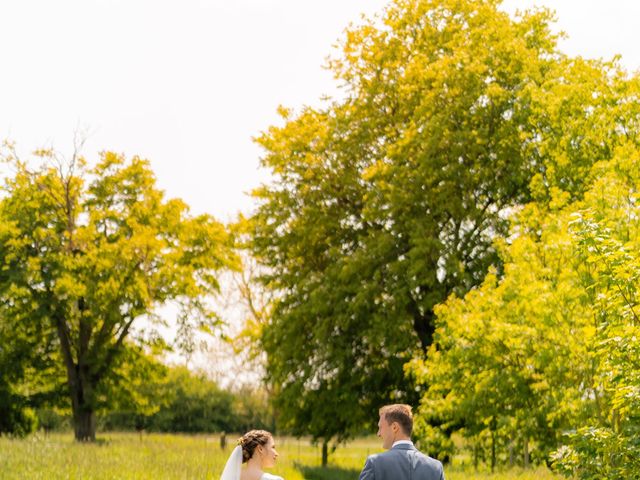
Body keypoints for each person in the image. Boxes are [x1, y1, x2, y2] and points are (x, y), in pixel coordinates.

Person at [358, 404, 445, 480]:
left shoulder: (374, 463)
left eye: (380, 427)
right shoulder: (436, 467)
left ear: (394, 427)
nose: (378, 433)